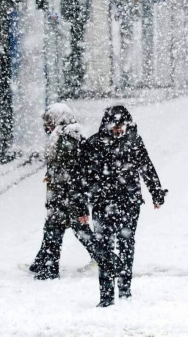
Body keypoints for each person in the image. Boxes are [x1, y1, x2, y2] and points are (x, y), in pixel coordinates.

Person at [83, 105, 167, 307]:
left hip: (129, 203)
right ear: (107, 125)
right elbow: (83, 178)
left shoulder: (133, 142)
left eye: (122, 125)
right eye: (115, 125)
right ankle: (106, 295)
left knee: (126, 244)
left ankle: (125, 290)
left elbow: (147, 166)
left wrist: (156, 193)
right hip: (103, 205)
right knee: (103, 247)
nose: (118, 129)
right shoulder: (94, 144)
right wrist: (81, 205)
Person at [29, 103, 98, 280]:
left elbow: (74, 171)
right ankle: (43, 264)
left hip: (67, 195)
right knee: (57, 229)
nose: (46, 125)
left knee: (60, 229)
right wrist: (51, 174)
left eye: (49, 121)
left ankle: (49, 268)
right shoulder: (63, 135)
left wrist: (80, 204)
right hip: (63, 194)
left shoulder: (67, 137)